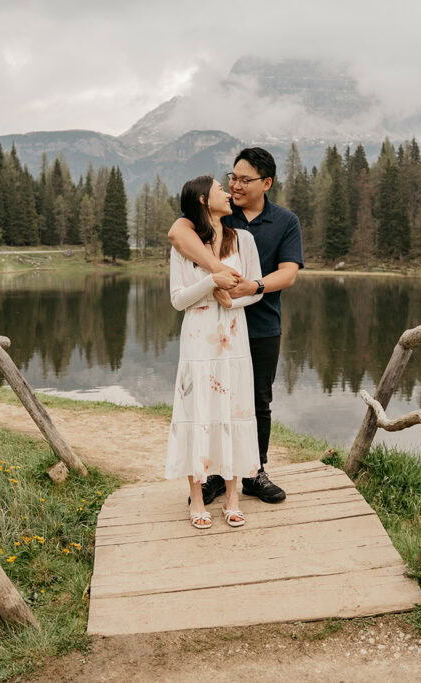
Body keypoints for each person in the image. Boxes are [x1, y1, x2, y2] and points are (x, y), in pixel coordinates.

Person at [168, 148, 304, 506]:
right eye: (232, 177)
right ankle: (214, 473)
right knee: (213, 400)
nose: (235, 186)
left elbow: (288, 273)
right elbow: (176, 233)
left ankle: (255, 472)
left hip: (260, 324)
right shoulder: (219, 214)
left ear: (267, 183)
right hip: (214, 328)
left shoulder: (285, 221)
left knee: (257, 400)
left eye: (245, 180)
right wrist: (218, 272)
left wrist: (252, 287)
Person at [166, 175, 265, 529]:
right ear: (205, 200)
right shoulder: (184, 245)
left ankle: (232, 497)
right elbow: (178, 299)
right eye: (221, 189)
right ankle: (196, 499)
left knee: (234, 411)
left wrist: (233, 296)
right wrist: (212, 282)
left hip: (233, 336)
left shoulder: (245, 240)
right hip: (198, 338)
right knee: (198, 412)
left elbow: (256, 289)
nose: (229, 191)